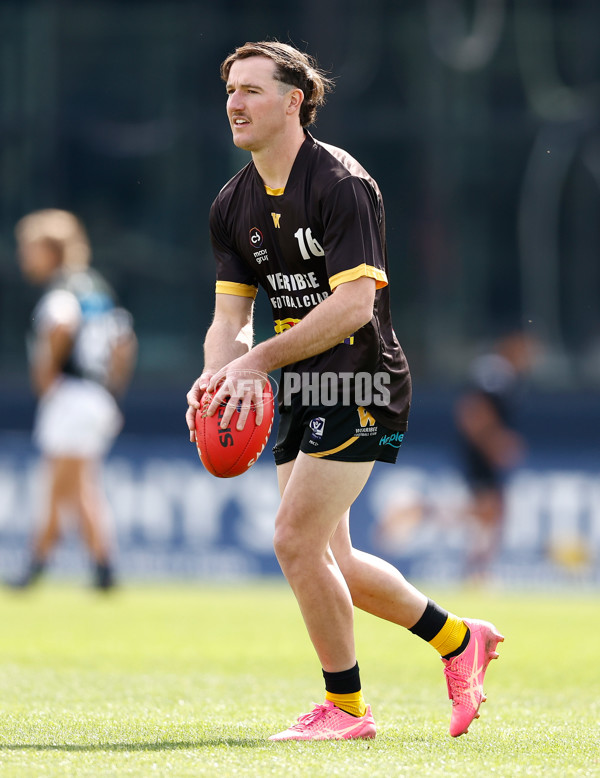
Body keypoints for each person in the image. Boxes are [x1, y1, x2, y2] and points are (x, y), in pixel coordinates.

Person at [186, 41, 504, 741]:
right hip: (301, 388)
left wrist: (254, 362)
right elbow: (229, 320)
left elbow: (354, 305)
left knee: (294, 541)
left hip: (361, 377)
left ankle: (347, 709)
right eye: (230, 91)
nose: (235, 103)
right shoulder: (231, 203)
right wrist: (218, 375)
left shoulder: (339, 183)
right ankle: (459, 639)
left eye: (252, 91)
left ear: (294, 101)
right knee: (335, 561)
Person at [13, 209, 137, 590]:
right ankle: (103, 567)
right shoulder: (95, 289)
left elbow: (61, 326)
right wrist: (109, 390)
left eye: (30, 249)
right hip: (96, 395)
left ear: (52, 252)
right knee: (82, 485)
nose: (24, 257)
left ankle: (36, 564)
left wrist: (47, 378)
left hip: (72, 395)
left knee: (57, 485)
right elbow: (124, 343)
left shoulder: (62, 291)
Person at [455, 329, 536, 580]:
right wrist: (495, 443)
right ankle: (477, 571)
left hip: (480, 451)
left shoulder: (506, 375)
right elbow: (472, 411)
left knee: (491, 510)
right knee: (486, 509)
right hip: (478, 453)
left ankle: (479, 569)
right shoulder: (496, 373)